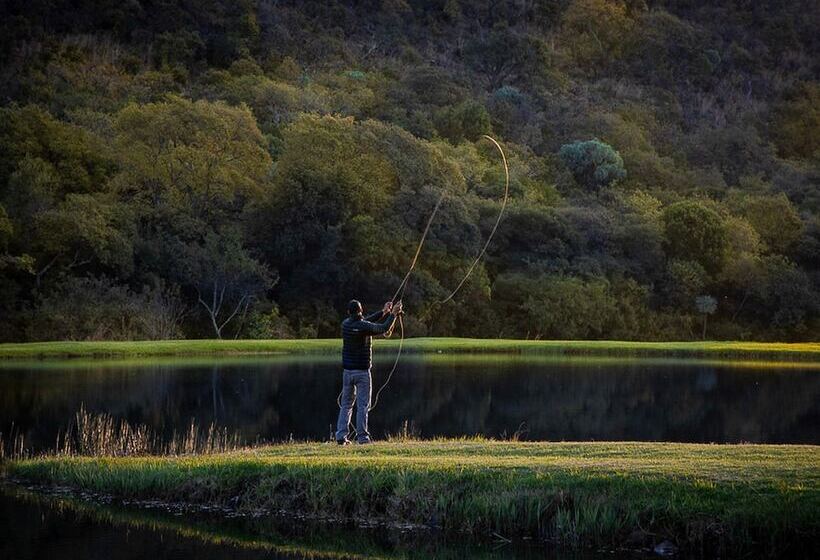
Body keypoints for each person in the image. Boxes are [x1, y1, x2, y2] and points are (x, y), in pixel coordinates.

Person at [336, 298, 403, 445]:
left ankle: (341, 437)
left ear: (349, 312)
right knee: (363, 406)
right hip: (362, 373)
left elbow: (365, 322)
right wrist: (393, 314)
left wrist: (383, 312)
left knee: (346, 405)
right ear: (361, 311)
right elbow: (382, 328)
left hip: (347, 373)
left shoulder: (345, 324)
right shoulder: (362, 326)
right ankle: (363, 438)